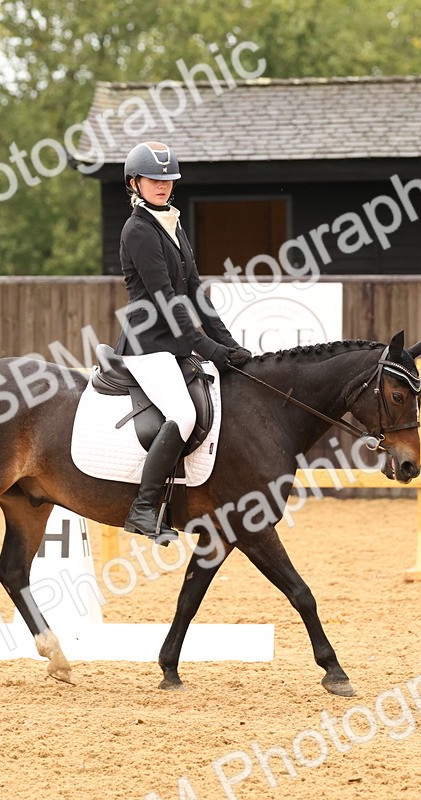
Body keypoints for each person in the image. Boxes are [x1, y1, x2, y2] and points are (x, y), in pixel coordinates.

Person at [114, 141, 252, 544]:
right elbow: (165, 299)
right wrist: (207, 349)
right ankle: (143, 509)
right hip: (146, 346)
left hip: (173, 346)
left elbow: (194, 291)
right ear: (134, 183)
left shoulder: (172, 224)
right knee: (184, 414)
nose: (162, 185)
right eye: (152, 179)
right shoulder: (138, 230)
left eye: (168, 179)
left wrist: (229, 345)